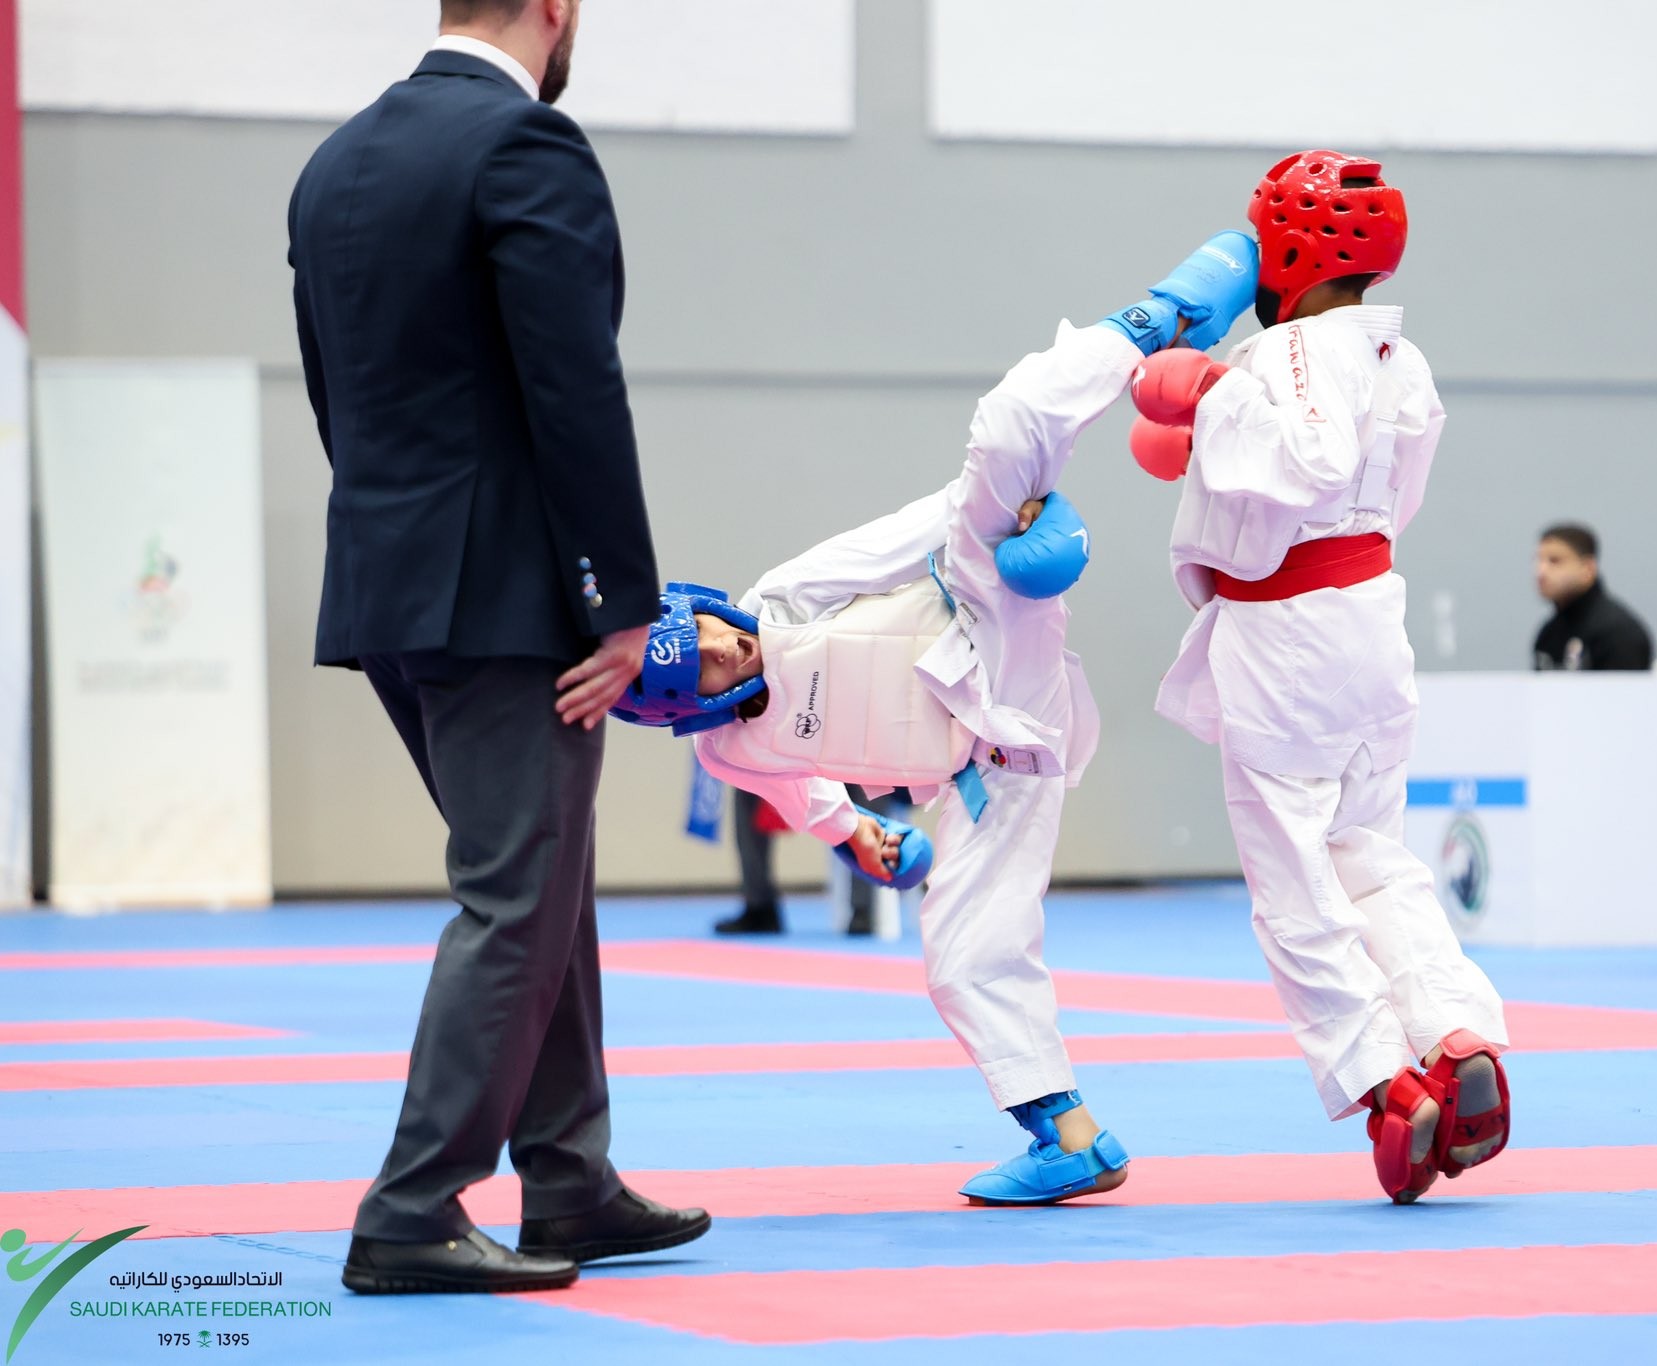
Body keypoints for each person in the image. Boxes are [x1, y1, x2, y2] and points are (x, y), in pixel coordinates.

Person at [610, 233, 1259, 1204]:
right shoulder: (733, 749)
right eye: (701, 665)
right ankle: (1071, 1139)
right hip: (995, 767)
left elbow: (915, 532)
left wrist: (1012, 520)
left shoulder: (779, 597)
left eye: (703, 629)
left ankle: (1160, 316)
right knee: (960, 958)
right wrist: (864, 837)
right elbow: (806, 794)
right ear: (688, 708)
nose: (721, 646)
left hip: (984, 624)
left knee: (1005, 427)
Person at [289, 0, 706, 1295]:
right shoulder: (524, 145)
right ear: (554, 8)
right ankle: (412, 1206)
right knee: (518, 892)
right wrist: (620, 599)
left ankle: (569, 1178)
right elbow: (574, 383)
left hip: (390, 585)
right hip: (509, 598)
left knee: (542, 876)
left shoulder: (336, 164)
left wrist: (400, 543)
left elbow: (334, 395)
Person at [1132, 151, 1512, 1204]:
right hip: (1370, 617)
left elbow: (1303, 458)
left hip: (1287, 635)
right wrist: (1210, 432)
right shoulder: (1402, 357)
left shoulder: (1288, 351)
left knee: (1292, 879)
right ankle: (1455, 1031)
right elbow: (1377, 490)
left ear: (1289, 253)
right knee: (1370, 858)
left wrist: (1214, 395)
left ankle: (1388, 1083)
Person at [720, 784, 911, 936]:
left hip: (870, 763)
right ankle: (759, 906)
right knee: (748, 782)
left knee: (865, 778)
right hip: (812, 758)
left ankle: (863, 909)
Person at [1532, 523, 1654, 670]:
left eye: (1555, 561)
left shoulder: (1618, 634)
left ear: (1588, 569)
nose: (1541, 572)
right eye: (1538, 560)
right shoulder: (1548, 634)